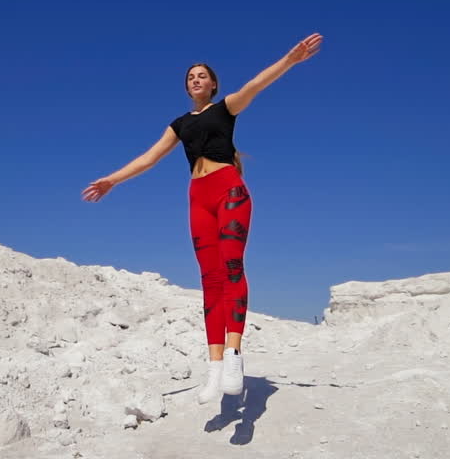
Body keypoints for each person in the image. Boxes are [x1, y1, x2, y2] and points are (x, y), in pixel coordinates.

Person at [82, 33, 323, 403]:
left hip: (229, 190)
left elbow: (256, 84)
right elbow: (149, 158)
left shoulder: (225, 108)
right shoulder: (179, 125)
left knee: (230, 269)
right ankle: (213, 368)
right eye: (190, 77)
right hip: (198, 198)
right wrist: (112, 179)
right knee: (209, 280)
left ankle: (234, 355)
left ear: (212, 84)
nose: (195, 80)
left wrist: (290, 60)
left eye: (201, 76)